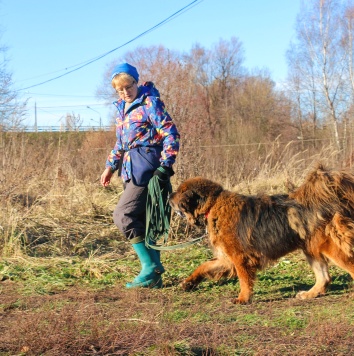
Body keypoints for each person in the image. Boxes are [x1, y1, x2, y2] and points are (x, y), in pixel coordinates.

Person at [100, 62, 180, 289]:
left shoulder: (149, 103)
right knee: (145, 222)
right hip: (129, 168)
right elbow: (121, 142)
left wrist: (166, 165)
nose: (125, 92)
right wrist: (110, 166)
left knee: (122, 214)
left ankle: (149, 267)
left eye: (129, 86)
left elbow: (170, 133)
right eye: (120, 89)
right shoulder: (121, 109)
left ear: (136, 82)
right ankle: (154, 277)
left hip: (148, 169)